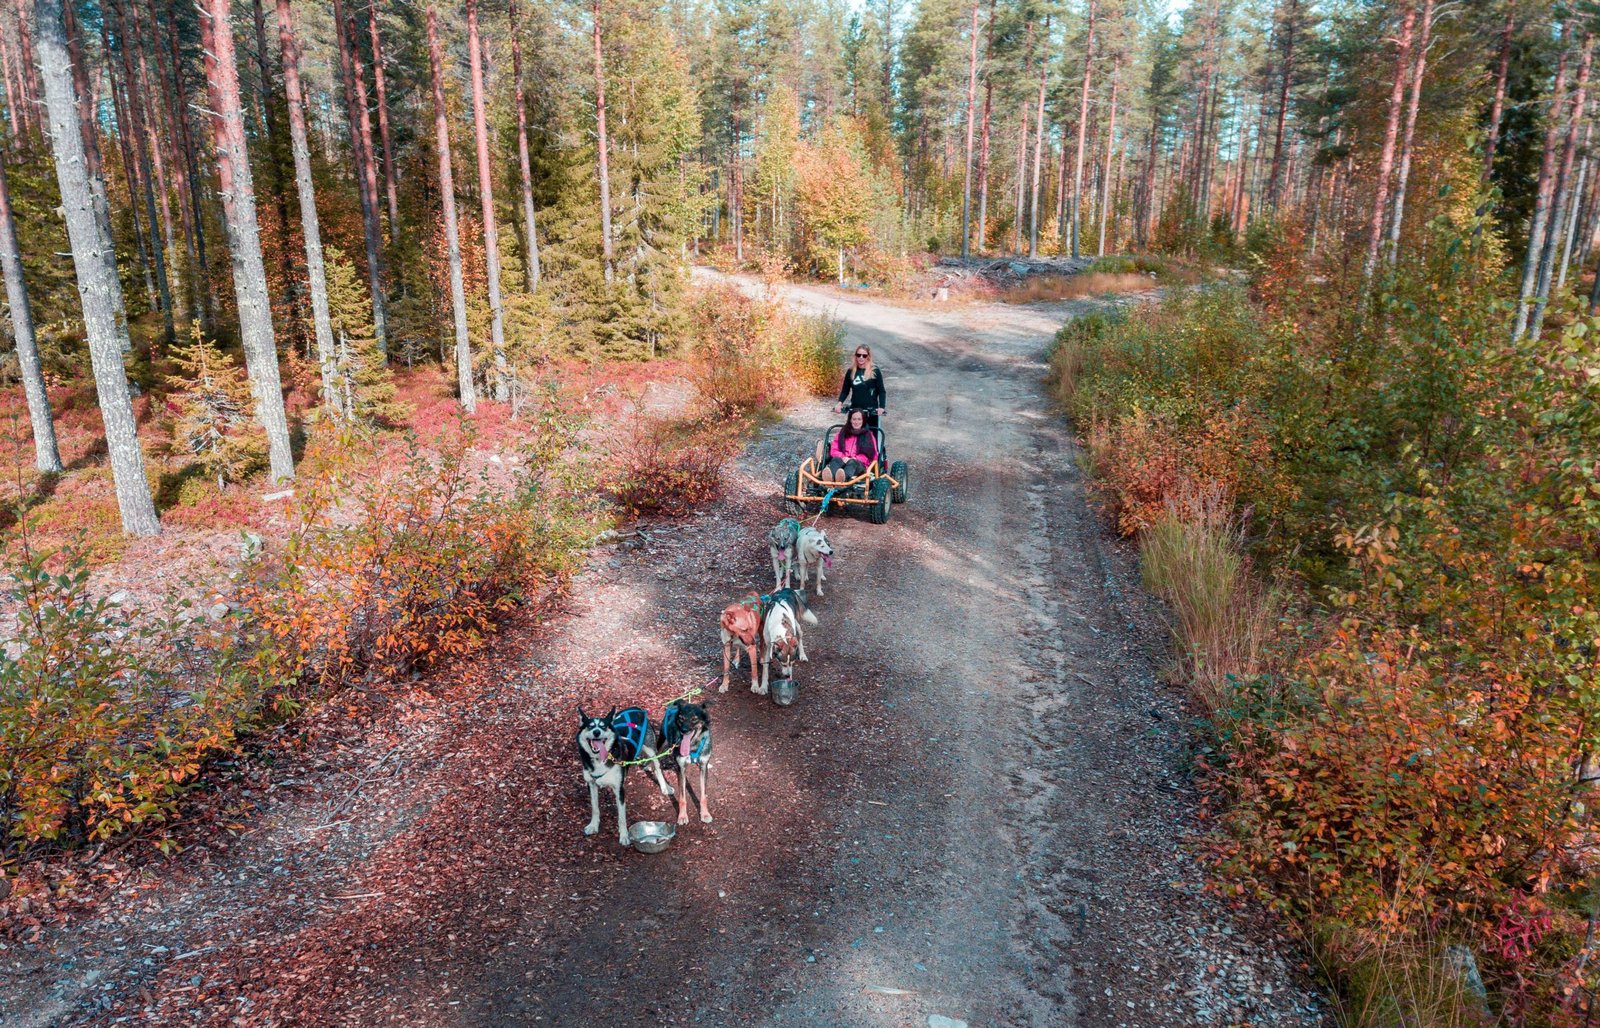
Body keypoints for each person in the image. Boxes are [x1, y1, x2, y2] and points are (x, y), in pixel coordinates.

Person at [819, 408, 879, 484]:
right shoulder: (842, 433)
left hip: (859, 465)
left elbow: (874, 456)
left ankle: (842, 480)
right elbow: (834, 450)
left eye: (859, 419)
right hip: (842, 460)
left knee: (852, 462)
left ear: (863, 420)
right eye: (854, 419)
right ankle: (829, 478)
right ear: (850, 420)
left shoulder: (868, 435)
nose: (856, 422)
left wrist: (855, 458)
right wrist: (843, 457)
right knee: (836, 460)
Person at [836, 345, 885, 427]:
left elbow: (881, 391)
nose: (861, 357)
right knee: (853, 436)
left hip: (871, 411)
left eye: (864, 355)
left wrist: (882, 407)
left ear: (868, 357)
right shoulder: (851, 371)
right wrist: (839, 403)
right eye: (858, 355)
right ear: (855, 356)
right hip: (855, 410)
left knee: (871, 437)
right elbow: (845, 390)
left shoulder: (875, 371)